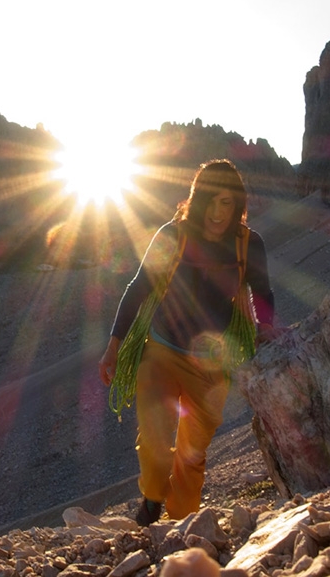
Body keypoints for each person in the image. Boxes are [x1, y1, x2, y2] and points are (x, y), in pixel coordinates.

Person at [98, 159, 276, 526]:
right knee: (154, 435)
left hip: (213, 363)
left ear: (237, 204)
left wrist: (266, 328)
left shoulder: (248, 244)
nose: (216, 212)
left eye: (226, 202)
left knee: (193, 455)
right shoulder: (173, 235)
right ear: (196, 200)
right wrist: (114, 344)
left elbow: (263, 292)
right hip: (161, 351)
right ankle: (151, 496)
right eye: (209, 200)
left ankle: (182, 526)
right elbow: (138, 288)